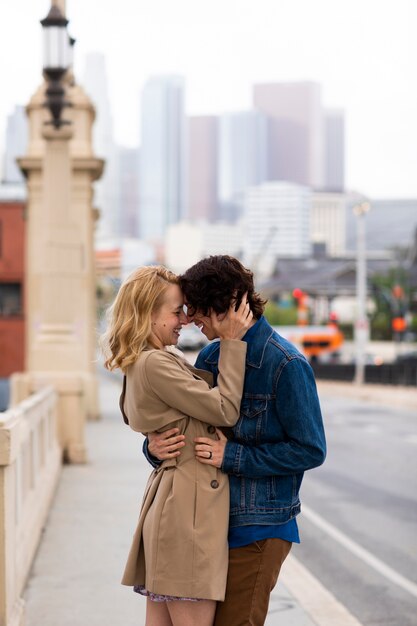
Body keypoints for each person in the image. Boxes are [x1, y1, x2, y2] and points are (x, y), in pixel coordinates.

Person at [145, 256, 326, 626]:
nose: (192, 320)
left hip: (259, 527)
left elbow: (310, 448)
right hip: (207, 526)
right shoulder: (212, 355)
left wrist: (234, 456)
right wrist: (152, 448)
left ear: (229, 305)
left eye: (199, 313)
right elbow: (184, 422)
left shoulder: (286, 365)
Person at [102, 265, 253, 626]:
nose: (184, 319)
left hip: (175, 506)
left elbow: (146, 419)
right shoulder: (154, 363)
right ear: (146, 315)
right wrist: (231, 343)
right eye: (175, 311)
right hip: (189, 516)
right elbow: (224, 409)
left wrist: (153, 447)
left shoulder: (143, 360)